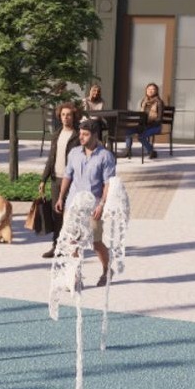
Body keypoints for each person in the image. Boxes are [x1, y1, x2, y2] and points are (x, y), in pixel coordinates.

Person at [59, 118, 116, 279]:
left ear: (95, 135)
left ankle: (107, 269)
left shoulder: (106, 156)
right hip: (73, 204)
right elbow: (67, 176)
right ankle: (75, 277)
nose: (81, 137)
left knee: (95, 243)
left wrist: (102, 205)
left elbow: (108, 184)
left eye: (85, 134)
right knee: (72, 241)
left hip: (94, 206)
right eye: (80, 134)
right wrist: (61, 198)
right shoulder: (74, 153)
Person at [39, 101, 82, 259]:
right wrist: (43, 179)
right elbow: (51, 158)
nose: (65, 117)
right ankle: (57, 246)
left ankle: (73, 246)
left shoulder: (78, 135)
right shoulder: (57, 134)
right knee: (56, 213)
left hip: (71, 181)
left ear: (73, 116)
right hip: (56, 178)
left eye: (68, 115)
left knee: (70, 214)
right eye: (63, 115)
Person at [132, 83, 167, 161]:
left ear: (156, 91)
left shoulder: (159, 102)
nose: (150, 91)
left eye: (153, 89)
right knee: (128, 131)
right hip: (143, 125)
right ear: (146, 90)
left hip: (155, 126)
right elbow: (138, 114)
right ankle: (127, 151)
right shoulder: (143, 101)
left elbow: (159, 119)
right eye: (149, 89)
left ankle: (151, 151)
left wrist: (148, 125)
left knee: (141, 136)